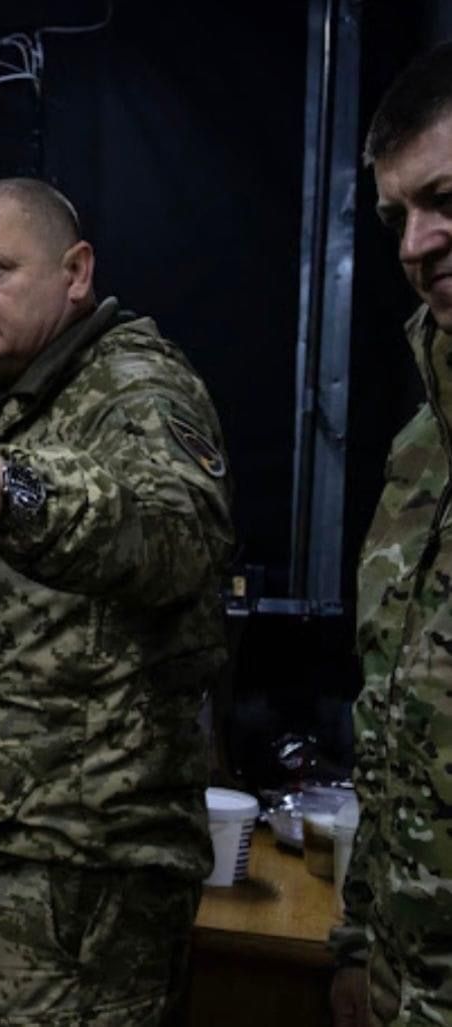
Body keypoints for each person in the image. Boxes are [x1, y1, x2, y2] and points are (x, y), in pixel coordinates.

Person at [0, 178, 234, 1025]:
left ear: (75, 272)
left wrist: (10, 492)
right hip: (10, 861)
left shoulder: (133, 387)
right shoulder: (42, 393)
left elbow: (175, 533)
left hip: (79, 884)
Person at [329, 42, 452, 1027]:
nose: (416, 244)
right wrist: (361, 947)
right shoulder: (421, 449)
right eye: (395, 217)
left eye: (444, 198)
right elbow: (396, 733)